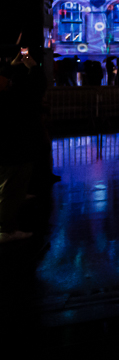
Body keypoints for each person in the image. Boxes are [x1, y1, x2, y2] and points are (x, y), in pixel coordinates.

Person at [0, 48, 42, 242]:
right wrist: (32, 66)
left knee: (6, 187)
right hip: (15, 150)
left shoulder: (7, 96)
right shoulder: (16, 99)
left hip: (7, 150)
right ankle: (6, 229)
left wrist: (11, 66)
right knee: (11, 191)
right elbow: (37, 87)